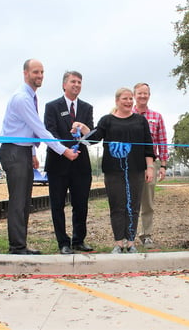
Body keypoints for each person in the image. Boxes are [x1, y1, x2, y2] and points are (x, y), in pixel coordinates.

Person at [0, 59, 78, 255]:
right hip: (15, 151)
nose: (40, 76)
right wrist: (64, 151)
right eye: (35, 72)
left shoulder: (30, 96)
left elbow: (26, 129)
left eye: (42, 72)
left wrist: (33, 152)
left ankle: (20, 244)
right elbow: (40, 129)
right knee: (18, 201)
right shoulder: (22, 98)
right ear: (25, 73)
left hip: (23, 150)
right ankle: (17, 247)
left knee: (24, 200)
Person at [74, 87, 154, 253]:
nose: (128, 101)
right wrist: (81, 129)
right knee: (117, 206)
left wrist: (150, 167)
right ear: (117, 101)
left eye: (130, 99)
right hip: (113, 172)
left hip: (136, 170)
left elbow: (148, 146)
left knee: (133, 206)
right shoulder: (107, 120)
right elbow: (93, 138)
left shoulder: (140, 121)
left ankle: (131, 243)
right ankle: (119, 243)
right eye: (125, 98)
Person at [44, 71, 94, 254]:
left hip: (81, 165)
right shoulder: (52, 107)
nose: (77, 85)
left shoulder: (87, 108)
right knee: (57, 204)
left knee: (81, 204)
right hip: (58, 163)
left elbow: (92, 138)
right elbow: (50, 133)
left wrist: (84, 129)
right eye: (73, 81)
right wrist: (65, 151)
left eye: (79, 82)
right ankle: (63, 243)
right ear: (64, 85)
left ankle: (79, 240)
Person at [132, 83, 168, 248]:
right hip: (130, 164)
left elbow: (162, 141)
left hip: (150, 164)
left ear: (149, 95)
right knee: (130, 201)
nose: (143, 96)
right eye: (140, 93)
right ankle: (128, 235)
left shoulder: (156, 116)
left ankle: (146, 234)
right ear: (134, 95)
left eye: (145, 93)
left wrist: (163, 165)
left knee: (148, 202)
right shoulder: (126, 114)